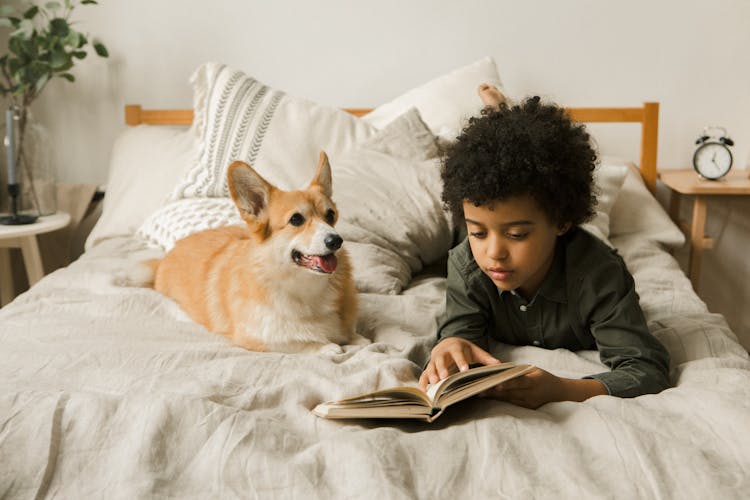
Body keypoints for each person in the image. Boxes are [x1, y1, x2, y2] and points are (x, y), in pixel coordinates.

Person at [418, 85, 671, 409]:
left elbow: (646, 370)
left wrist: (564, 389)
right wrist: (452, 343)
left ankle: (502, 112)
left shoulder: (600, 275)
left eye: (517, 235)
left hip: (573, 244)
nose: (494, 253)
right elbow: (461, 328)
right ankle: (499, 114)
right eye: (478, 232)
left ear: (562, 221)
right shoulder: (467, 262)